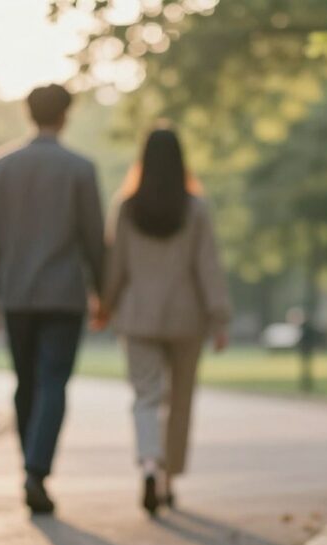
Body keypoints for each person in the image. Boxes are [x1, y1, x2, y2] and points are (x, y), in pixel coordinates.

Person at [0, 83, 105, 515]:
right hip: (64, 296)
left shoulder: (2, 166)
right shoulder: (80, 169)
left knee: (25, 382)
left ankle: (28, 465)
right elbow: (93, 239)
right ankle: (37, 469)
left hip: (15, 294)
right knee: (53, 382)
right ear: (65, 116)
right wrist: (102, 292)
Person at [98, 126, 230, 516]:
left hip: (138, 317)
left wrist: (103, 306)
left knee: (145, 396)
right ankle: (169, 480)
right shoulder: (196, 209)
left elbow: (115, 266)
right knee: (180, 401)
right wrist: (219, 317)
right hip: (186, 318)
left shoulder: (126, 207)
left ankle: (150, 464)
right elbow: (208, 267)